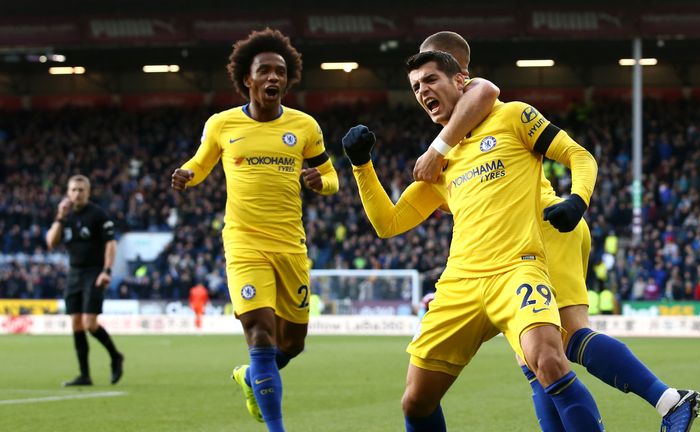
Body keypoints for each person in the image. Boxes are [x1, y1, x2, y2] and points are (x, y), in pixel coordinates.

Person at [412, 31, 700, 432]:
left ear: (459, 73)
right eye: (418, 79)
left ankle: (669, 400)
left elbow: (487, 92)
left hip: (544, 227)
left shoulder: (480, 98)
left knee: (560, 343)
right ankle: (668, 401)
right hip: (538, 233)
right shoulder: (461, 129)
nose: (425, 83)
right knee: (535, 360)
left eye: (433, 71)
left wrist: (577, 199)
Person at [343, 50, 604, 431]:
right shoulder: (438, 165)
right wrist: (361, 165)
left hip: (518, 270)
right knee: (416, 402)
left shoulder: (511, 117)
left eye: (430, 79)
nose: (422, 91)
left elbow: (580, 156)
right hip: (460, 283)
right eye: (415, 86)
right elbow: (388, 223)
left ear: (459, 81)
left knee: (548, 360)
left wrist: (577, 200)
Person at [170, 28, 338, 432]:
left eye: (280, 72)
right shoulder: (223, 124)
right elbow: (201, 162)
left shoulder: (305, 126)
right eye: (264, 71)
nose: (273, 78)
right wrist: (186, 175)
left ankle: (250, 377)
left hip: (291, 247)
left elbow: (331, 176)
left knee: (292, 343)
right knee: (260, 334)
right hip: (244, 244)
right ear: (247, 78)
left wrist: (321, 182)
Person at [45, 174, 124, 386]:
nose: (77, 194)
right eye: (73, 190)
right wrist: (60, 216)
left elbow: (110, 244)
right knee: (76, 323)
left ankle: (116, 356)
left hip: (94, 272)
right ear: (67, 193)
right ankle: (84, 375)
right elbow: (50, 242)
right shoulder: (66, 216)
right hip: (74, 273)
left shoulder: (98, 215)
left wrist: (106, 270)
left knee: (90, 323)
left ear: (88, 192)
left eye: (81, 190)